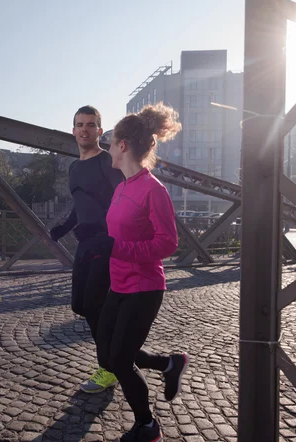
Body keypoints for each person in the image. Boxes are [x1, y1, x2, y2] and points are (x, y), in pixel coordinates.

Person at [83, 103, 189, 442]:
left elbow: (167, 243)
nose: (108, 148)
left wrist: (117, 248)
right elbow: (118, 235)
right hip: (118, 283)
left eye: (111, 142)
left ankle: (147, 427)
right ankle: (169, 364)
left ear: (123, 145)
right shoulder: (121, 187)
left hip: (144, 287)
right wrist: (97, 243)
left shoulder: (153, 189)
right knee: (111, 350)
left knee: (119, 358)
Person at [50, 105, 124, 393]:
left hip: (104, 244)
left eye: (90, 125)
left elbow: (122, 201)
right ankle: (123, 356)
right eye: (79, 124)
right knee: (80, 306)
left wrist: (109, 234)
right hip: (84, 242)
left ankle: (109, 368)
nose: (84, 129)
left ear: (99, 131)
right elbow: (80, 205)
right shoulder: (74, 167)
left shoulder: (107, 162)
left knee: (94, 306)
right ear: (73, 130)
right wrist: (64, 228)